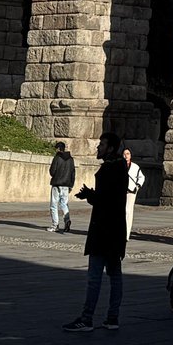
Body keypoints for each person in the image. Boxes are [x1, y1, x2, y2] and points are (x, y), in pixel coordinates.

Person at [64, 134, 129, 333]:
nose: (97, 148)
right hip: (115, 230)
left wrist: (90, 195)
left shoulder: (111, 168)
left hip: (103, 230)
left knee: (95, 276)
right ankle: (112, 317)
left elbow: (106, 201)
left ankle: (87, 318)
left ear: (110, 148)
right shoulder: (119, 167)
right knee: (115, 275)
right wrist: (93, 195)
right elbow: (112, 198)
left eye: (101, 145)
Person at [47, 142, 74, 234]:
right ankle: (67, 220)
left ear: (58, 149)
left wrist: (55, 176)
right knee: (64, 204)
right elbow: (73, 173)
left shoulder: (57, 158)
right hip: (66, 185)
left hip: (57, 184)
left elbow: (52, 171)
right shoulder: (71, 159)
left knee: (54, 205)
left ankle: (55, 225)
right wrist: (71, 185)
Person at [123, 146, 143, 242]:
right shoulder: (118, 166)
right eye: (124, 154)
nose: (126, 156)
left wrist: (137, 187)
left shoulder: (135, 167)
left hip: (131, 192)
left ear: (130, 155)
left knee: (128, 212)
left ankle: (126, 234)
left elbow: (141, 177)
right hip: (120, 191)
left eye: (127, 154)